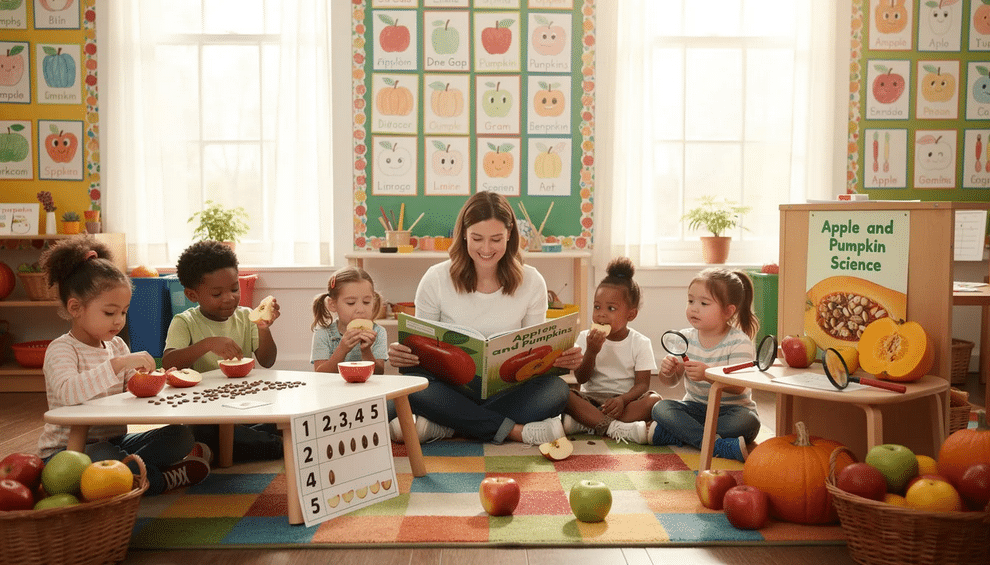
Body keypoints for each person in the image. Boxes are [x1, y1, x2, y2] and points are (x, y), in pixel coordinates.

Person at [387, 191, 582, 445]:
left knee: (556, 390)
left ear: (509, 235)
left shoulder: (532, 281)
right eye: (477, 238)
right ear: (464, 234)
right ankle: (515, 431)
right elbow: (422, 354)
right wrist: (403, 354)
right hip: (449, 390)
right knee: (414, 389)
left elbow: (535, 352)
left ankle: (450, 426)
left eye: (496, 239)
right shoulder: (436, 279)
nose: (486, 249)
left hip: (507, 392)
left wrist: (562, 356)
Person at [36, 237, 209, 495]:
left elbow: (134, 389)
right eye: (109, 312)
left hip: (116, 442)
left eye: (124, 312)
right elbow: (68, 394)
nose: (118, 321)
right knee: (102, 454)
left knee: (181, 436)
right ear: (76, 308)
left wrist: (159, 378)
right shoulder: (62, 349)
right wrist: (117, 365)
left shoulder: (116, 346)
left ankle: (132, 474)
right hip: (68, 453)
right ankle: (162, 479)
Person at [162, 240, 282, 462]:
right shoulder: (184, 322)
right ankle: (277, 446)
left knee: (280, 420)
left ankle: (262, 441)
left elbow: (268, 360)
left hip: (245, 407)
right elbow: (169, 363)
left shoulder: (247, 317)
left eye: (234, 289)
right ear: (192, 295)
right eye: (217, 294)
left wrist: (263, 329)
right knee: (199, 435)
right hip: (204, 413)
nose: (229, 297)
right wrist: (207, 344)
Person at [649, 268, 761, 462]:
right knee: (661, 408)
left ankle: (679, 435)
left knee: (748, 422)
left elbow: (739, 386)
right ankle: (717, 446)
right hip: (694, 408)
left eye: (704, 303)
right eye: (690, 301)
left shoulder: (739, 342)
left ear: (728, 311)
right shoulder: (684, 338)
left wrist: (708, 375)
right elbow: (669, 382)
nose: (694, 308)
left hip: (731, 412)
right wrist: (668, 372)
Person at [562, 257, 661, 444]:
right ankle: (619, 429)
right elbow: (581, 379)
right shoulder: (585, 337)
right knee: (564, 394)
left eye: (611, 308)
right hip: (591, 398)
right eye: (597, 306)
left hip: (624, 402)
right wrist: (591, 351)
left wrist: (623, 399)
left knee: (653, 400)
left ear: (630, 314)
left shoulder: (640, 342)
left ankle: (587, 423)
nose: (601, 313)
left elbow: (642, 385)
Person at [311, 265, 388, 374]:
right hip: (333, 390)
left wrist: (366, 351)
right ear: (332, 304)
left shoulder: (378, 332)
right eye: (351, 303)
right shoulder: (323, 334)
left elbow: (379, 373)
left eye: (366, 302)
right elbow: (320, 374)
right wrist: (342, 349)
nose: (361, 310)